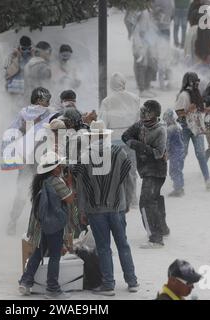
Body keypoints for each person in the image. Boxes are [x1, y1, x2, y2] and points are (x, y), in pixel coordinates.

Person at [72, 120, 139, 296]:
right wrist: (128, 201)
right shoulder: (120, 152)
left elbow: (80, 187)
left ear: (92, 137)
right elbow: (130, 179)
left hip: (95, 210)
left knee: (103, 247)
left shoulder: (85, 156)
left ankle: (108, 285)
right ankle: (132, 282)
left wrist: (81, 210)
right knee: (123, 244)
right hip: (117, 206)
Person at [18, 152, 75, 299]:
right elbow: (69, 199)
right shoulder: (55, 181)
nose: (61, 167)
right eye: (59, 165)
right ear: (54, 168)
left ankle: (26, 281)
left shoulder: (41, 180)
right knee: (55, 256)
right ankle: (52, 289)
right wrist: (69, 183)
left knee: (37, 253)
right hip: (54, 224)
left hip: (41, 224)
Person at [5, 87, 54, 236]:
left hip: (26, 159)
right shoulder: (50, 113)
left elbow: (12, 131)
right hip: (41, 159)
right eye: (47, 99)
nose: (48, 102)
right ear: (39, 99)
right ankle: (38, 225)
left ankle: (12, 222)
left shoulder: (23, 113)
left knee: (22, 190)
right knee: (41, 191)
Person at [122, 100, 170, 249]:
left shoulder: (160, 129)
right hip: (145, 169)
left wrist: (138, 146)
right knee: (154, 198)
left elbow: (158, 153)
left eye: (147, 112)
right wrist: (140, 146)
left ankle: (156, 238)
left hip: (156, 170)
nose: (143, 114)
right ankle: (162, 228)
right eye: (142, 111)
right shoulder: (140, 125)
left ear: (155, 114)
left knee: (146, 202)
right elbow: (125, 136)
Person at [99, 73, 141, 207]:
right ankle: (132, 198)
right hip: (130, 140)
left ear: (111, 85)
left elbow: (102, 123)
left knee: (116, 171)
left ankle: (120, 198)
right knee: (131, 170)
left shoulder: (107, 101)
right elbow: (139, 120)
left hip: (114, 141)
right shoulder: (134, 98)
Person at [175, 73, 210, 190]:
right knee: (182, 153)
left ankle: (207, 179)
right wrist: (187, 110)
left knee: (201, 153)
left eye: (197, 81)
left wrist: (205, 109)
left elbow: (198, 108)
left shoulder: (197, 93)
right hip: (185, 127)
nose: (197, 84)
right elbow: (177, 113)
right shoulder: (183, 95)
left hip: (197, 126)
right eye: (195, 82)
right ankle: (177, 179)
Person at [163, 109, 185, 197]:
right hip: (180, 151)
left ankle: (178, 189)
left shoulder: (170, 129)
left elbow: (167, 143)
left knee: (173, 171)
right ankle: (180, 187)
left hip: (174, 153)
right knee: (178, 170)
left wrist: (166, 153)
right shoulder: (178, 127)